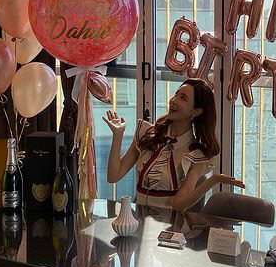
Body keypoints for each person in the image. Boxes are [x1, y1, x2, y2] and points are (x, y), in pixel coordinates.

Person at [103, 78, 244, 212]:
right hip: (139, 221)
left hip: (169, 225)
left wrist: (212, 181)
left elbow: (178, 205)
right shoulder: (148, 134)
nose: (174, 100)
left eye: (183, 98)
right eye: (176, 94)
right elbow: (113, 176)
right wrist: (118, 135)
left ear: (196, 112)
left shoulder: (196, 154)